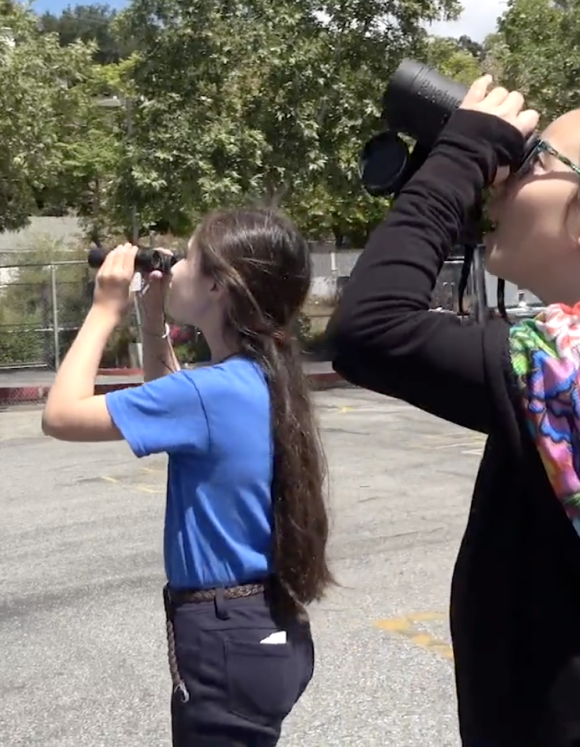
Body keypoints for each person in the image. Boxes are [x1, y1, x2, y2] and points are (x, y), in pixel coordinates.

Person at [327, 76, 580, 746]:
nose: (500, 183)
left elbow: (372, 328)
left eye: (531, 162)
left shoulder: (568, 366)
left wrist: (463, 152)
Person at [42, 207, 333, 746]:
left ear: (219, 284)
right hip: (261, 625)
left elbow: (60, 415)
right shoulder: (258, 378)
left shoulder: (212, 391)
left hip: (226, 638)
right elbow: (178, 404)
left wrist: (105, 309)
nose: (171, 268)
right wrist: (152, 324)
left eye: (187, 259)